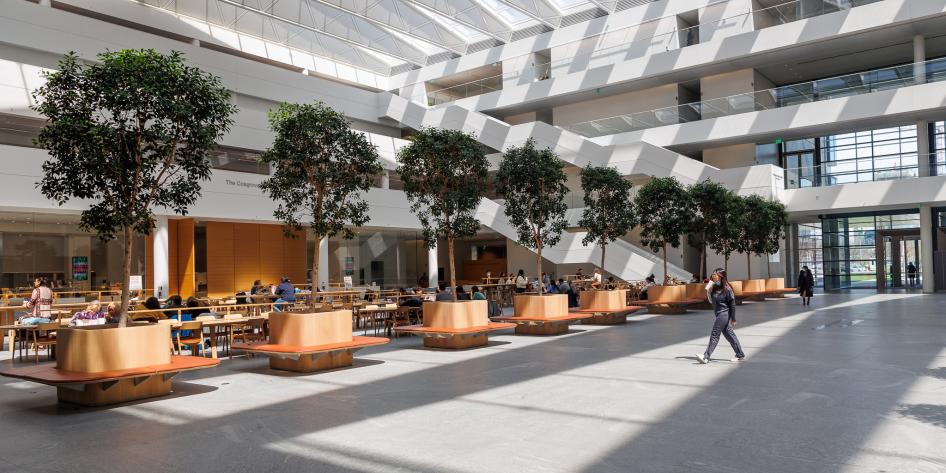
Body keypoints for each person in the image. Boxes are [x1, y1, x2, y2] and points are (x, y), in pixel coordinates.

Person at [696, 268, 745, 364]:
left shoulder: (727, 288)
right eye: (712, 275)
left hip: (724, 314)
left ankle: (706, 356)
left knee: (715, 334)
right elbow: (711, 301)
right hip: (718, 313)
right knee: (729, 335)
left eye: (715, 275)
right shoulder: (714, 287)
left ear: (721, 276)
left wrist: (733, 318)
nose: (713, 276)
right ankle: (740, 354)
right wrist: (709, 289)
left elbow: (732, 304)